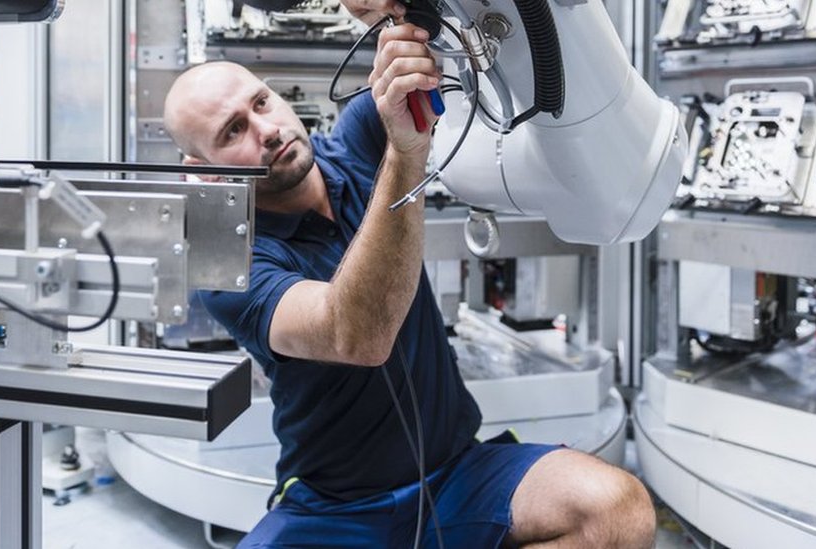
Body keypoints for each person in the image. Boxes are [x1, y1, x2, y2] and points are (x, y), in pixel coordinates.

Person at [162, 1, 655, 546]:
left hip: (458, 472)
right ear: (202, 172)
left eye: (261, 102)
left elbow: (445, 39)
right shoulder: (228, 262)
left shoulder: (353, 143)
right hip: (334, 506)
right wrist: (405, 151)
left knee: (617, 511)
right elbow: (356, 334)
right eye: (234, 131)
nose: (268, 129)